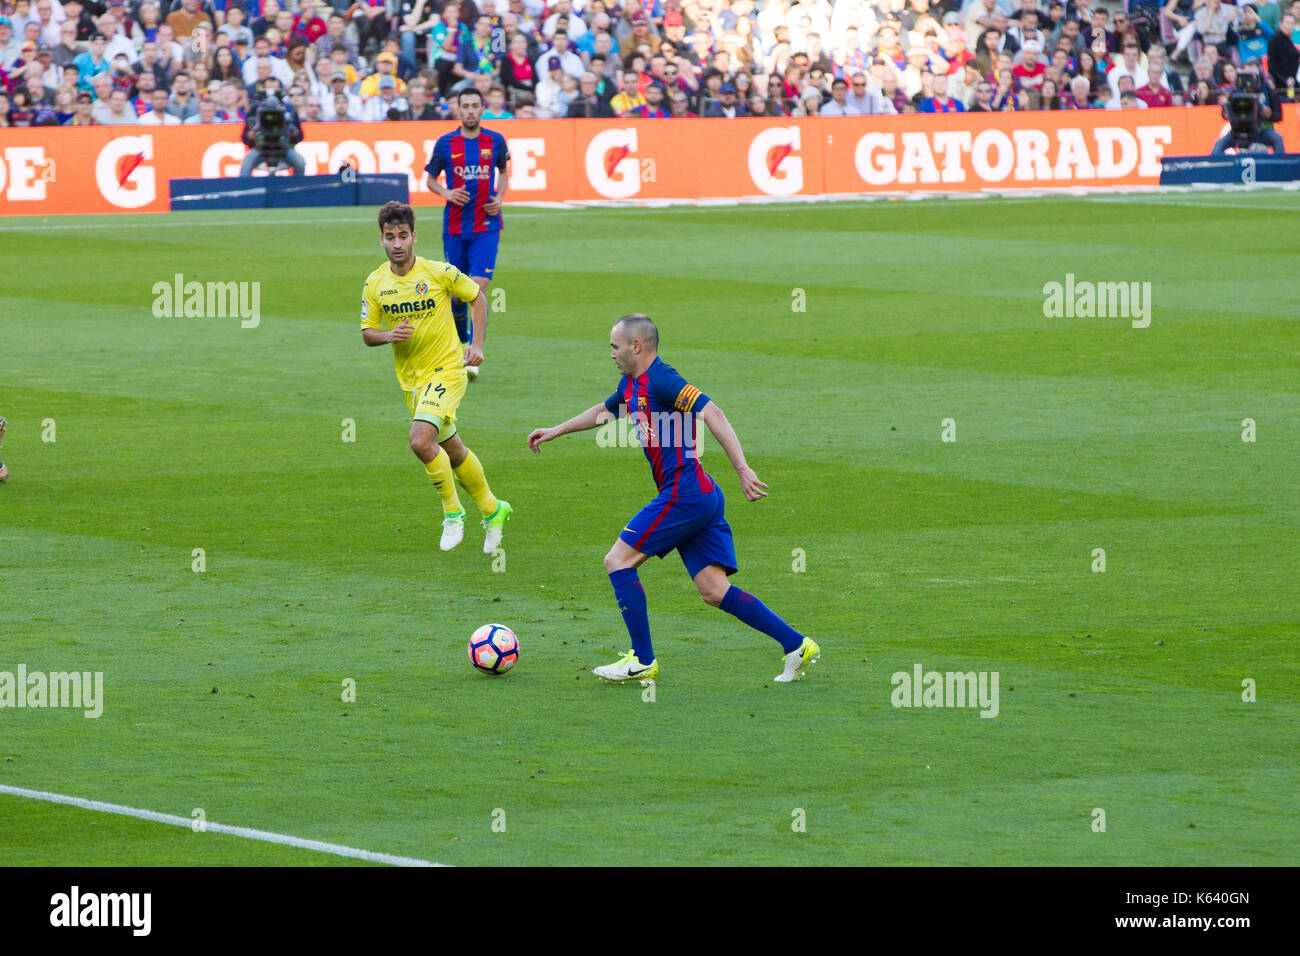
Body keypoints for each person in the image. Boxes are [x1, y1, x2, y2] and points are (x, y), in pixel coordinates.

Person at [526, 314, 820, 685]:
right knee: (714, 591)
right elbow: (605, 411)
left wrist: (743, 469)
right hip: (701, 494)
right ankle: (796, 645)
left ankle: (642, 660)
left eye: (615, 347)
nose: (611, 354)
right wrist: (556, 430)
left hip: (685, 493)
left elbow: (712, 411)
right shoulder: (630, 384)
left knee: (617, 561)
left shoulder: (663, 380)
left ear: (637, 346)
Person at [361, 201, 512, 554]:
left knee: (419, 441)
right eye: (389, 237)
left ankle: (452, 513)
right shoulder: (375, 284)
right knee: (452, 449)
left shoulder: (439, 272)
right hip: (412, 382)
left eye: (402, 236)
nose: (397, 243)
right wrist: (388, 335)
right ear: (382, 241)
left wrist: (476, 345)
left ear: (414, 236)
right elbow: (368, 332)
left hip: (447, 370)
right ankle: (493, 509)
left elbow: (477, 298)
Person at [423, 87, 509, 381]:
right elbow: (430, 180)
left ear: (482, 109)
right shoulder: (446, 143)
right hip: (456, 228)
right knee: (458, 297)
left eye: (475, 106)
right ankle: (461, 341)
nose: (470, 111)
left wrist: (499, 196)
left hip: (487, 225)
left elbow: (503, 172)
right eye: (465, 106)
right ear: (457, 109)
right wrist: (447, 192)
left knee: (478, 286)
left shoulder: (495, 141)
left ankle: (475, 351)